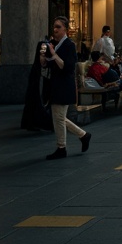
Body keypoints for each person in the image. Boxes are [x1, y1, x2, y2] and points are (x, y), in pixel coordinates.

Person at [40, 18, 91, 160]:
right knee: (59, 117)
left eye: (58, 27)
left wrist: (53, 54)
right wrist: (43, 55)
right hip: (56, 85)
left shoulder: (69, 45)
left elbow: (67, 67)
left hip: (64, 86)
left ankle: (62, 147)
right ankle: (83, 135)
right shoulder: (55, 45)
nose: (55, 30)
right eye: (54, 27)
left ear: (65, 29)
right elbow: (46, 65)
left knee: (59, 118)